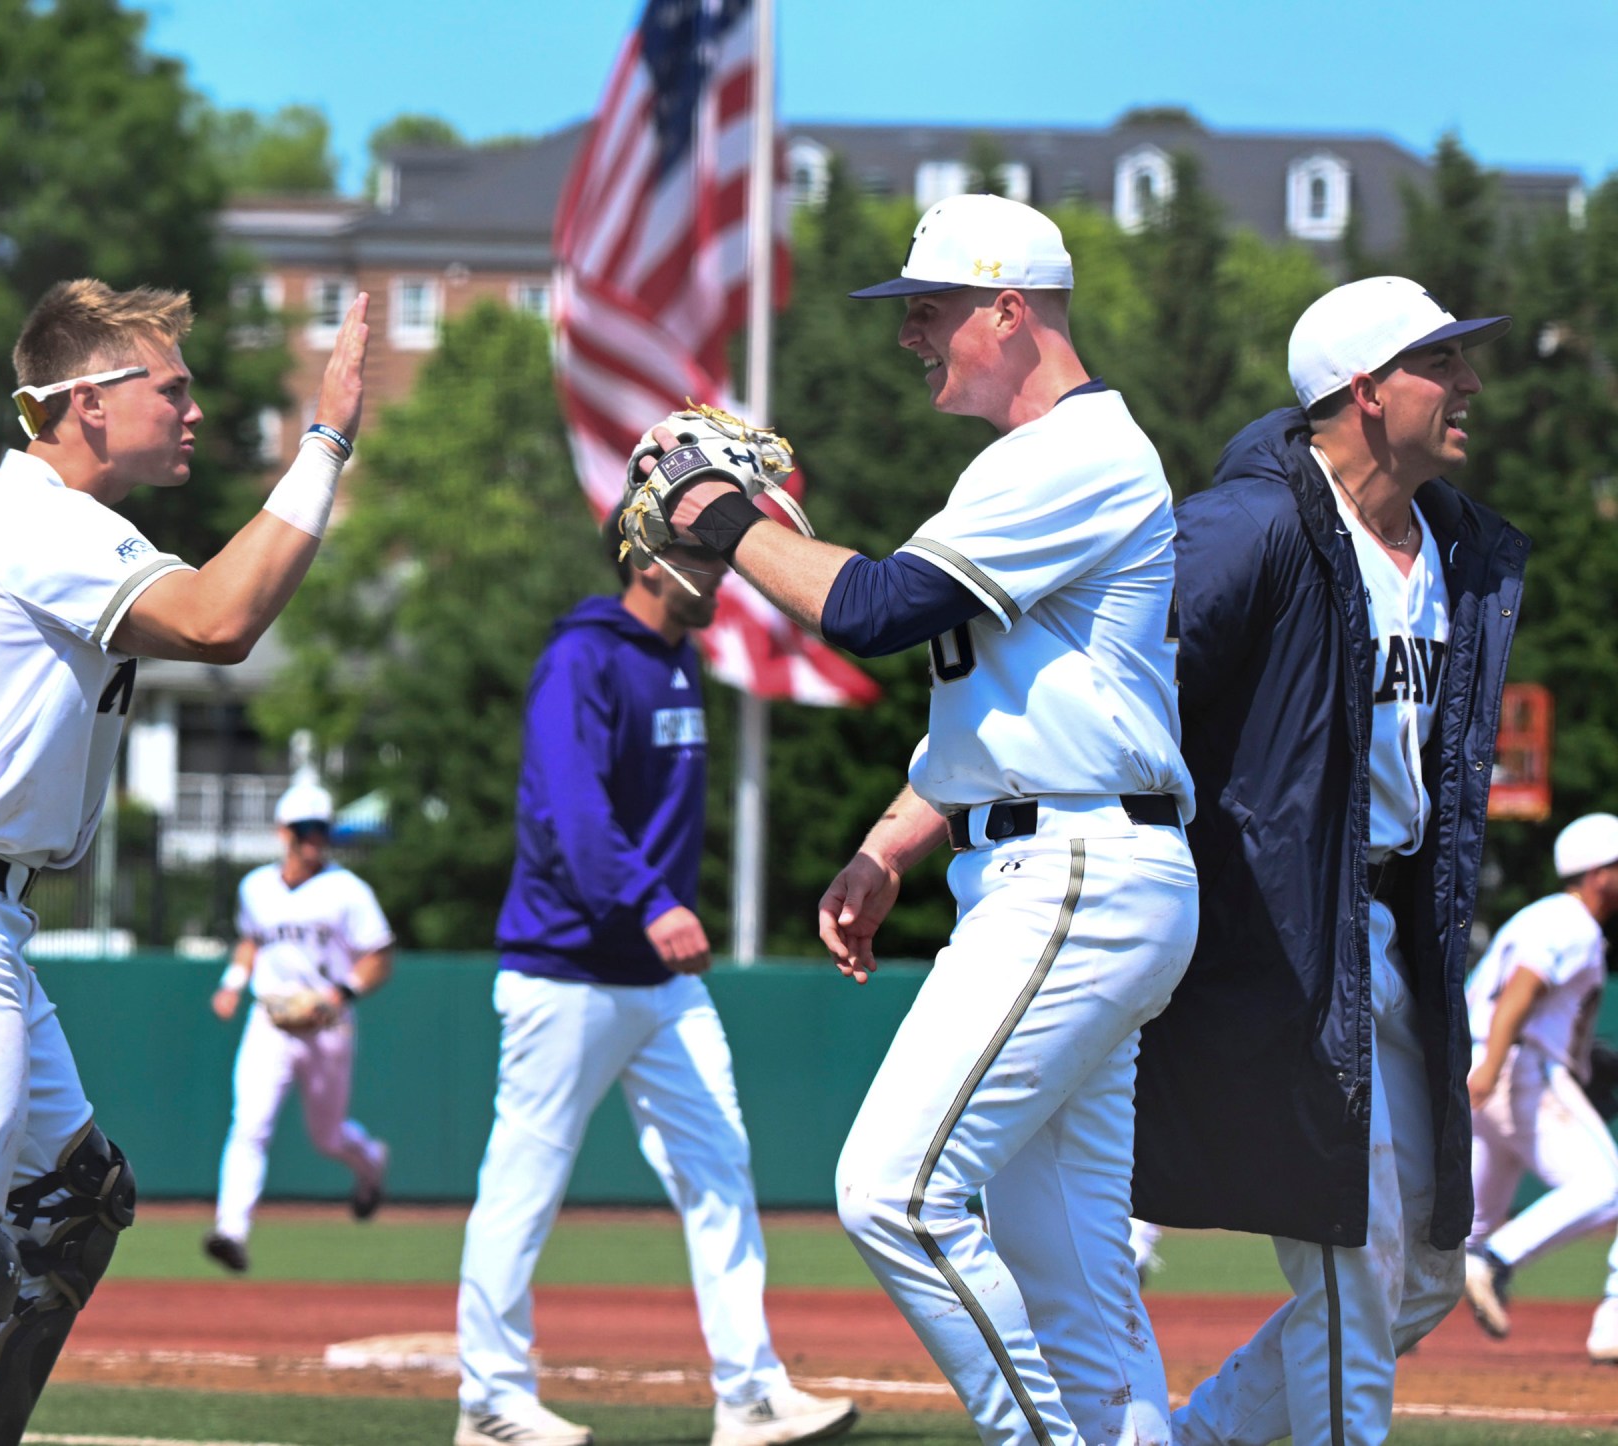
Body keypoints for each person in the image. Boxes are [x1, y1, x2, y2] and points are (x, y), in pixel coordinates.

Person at [657, 192, 1200, 1445]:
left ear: (1010, 310)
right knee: (1075, 1290)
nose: (911, 335)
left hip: (1075, 869)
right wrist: (895, 836)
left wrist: (722, 520)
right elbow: (1008, 703)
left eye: (931, 310)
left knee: (892, 1192)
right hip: (1058, 855)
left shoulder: (1074, 451)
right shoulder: (1023, 464)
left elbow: (874, 608)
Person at [0, 278, 369, 1446]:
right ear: (86, 403)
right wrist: (325, 441)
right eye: (173, 387)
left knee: (67, 1208)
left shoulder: (9, 510)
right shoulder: (36, 517)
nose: (194, 409)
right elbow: (219, 620)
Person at [1131, 276, 1527, 1446]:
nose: (1465, 382)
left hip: (1400, 934)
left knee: (1425, 1277)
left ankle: (1201, 1437)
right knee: (1353, 1266)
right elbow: (1112, 692)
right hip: (1284, 936)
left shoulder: (1452, 547)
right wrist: (913, 819)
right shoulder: (1249, 526)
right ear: (1362, 392)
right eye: (1437, 362)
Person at [452, 522, 858, 1446]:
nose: (719, 567)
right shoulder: (583, 657)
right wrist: (648, 901)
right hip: (565, 973)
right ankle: (489, 1401)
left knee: (720, 1168)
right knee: (524, 1186)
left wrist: (651, 917)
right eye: (699, 550)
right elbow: (571, 806)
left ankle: (750, 1393)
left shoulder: (682, 660)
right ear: (642, 554)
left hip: (659, 983)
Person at [201, 778, 396, 1273]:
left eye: (322, 830)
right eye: (305, 829)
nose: (314, 839)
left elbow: (379, 955)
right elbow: (251, 940)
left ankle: (371, 1163)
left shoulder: (348, 891)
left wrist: (340, 994)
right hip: (270, 1021)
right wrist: (231, 982)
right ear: (283, 831)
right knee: (249, 1126)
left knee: (328, 1138)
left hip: (326, 1024)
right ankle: (231, 1231)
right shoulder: (256, 887)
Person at [1463, 812, 1618, 1360]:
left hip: (1488, 1066)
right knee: (1610, 1185)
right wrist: (1494, 1066)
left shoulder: (1541, 915)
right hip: (1516, 1068)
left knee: (1469, 1228)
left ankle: (1386, 1320)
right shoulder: (1572, 924)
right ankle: (1610, 1321)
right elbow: (1522, 991)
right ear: (1598, 873)